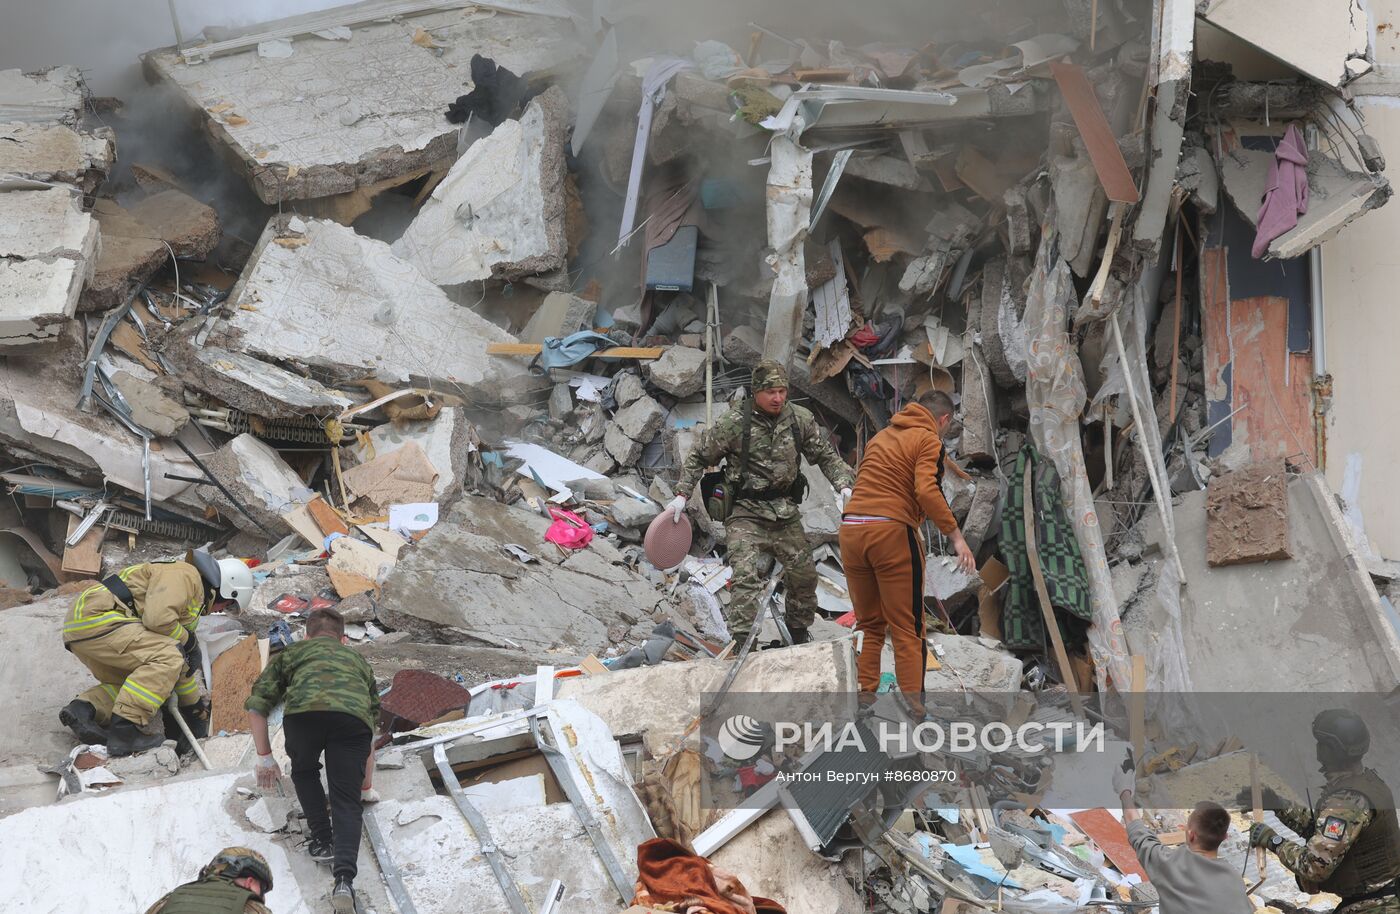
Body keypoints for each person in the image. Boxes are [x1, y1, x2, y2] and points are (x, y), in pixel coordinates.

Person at [672, 360, 855, 646]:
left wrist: (844, 486)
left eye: (782, 391)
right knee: (745, 576)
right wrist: (681, 495)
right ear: (756, 391)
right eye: (771, 391)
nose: (778, 398)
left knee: (804, 576)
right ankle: (744, 643)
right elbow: (699, 456)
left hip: (784, 513)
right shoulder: (734, 423)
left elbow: (826, 457)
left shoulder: (799, 420)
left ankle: (797, 634)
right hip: (745, 513)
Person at [839, 391, 974, 702]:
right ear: (943, 420)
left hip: (850, 532)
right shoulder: (929, 441)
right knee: (908, 629)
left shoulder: (882, 437)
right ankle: (915, 712)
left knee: (870, 624)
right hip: (890, 532)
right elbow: (926, 490)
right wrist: (956, 537)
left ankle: (864, 700)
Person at [246, 607, 379, 914]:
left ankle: (321, 840)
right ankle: (344, 880)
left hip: (304, 718)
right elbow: (371, 731)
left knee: (305, 771)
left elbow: (257, 706)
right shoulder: (359, 662)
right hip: (352, 722)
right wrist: (365, 786)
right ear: (343, 639)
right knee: (347, 801)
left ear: (306, 635)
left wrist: (265, 756)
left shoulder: (292, 654)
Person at [60, 550, 253, 756]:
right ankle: (124, 732)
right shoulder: (187, 575)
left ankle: (83, 710)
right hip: (99, 618)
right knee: (167, 656)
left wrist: (195, 709)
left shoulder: (190, 604)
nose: (220, 611)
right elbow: (158, 621)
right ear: (226, 589)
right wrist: (189, 641)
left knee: (147, 683)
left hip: (86, 629)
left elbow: (178, 668)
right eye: (229, 605)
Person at [1246, 710, 1399, 914]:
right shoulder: (1369, 783)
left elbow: (1314, 866)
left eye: (1321, 743)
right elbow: (1323, 828)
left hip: (1373, 906)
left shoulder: (1347, 802)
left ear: (1330, 749)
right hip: (1380, 898)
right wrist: (1277, 804)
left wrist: (1273, 841)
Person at [1114, 751, 1253, 914]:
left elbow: (1136, 828)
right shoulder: (1234, 878)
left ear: (1191, 835)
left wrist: (1124, 791)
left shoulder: (1170, 863)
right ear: (1225, 837)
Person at [143, 846, 275, 914]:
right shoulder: (252, 908)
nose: (263, 898)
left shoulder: (169, 900)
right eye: (262, 889)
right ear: (249, 882)